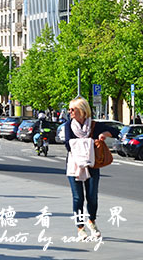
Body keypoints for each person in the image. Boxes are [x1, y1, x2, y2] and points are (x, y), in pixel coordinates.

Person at [64, 96, 119, 239]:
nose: (70, 112)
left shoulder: (94, 125)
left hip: (92, 165)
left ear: (82, 111)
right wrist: (89, 142)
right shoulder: (68, 126)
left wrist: (103, 135)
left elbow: (116, 131)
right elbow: (68, 145)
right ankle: (80, 228)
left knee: (92, 197)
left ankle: (92, 221)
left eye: (72, 109)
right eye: (69, 109)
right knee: (78, 198)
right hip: (74, 165)